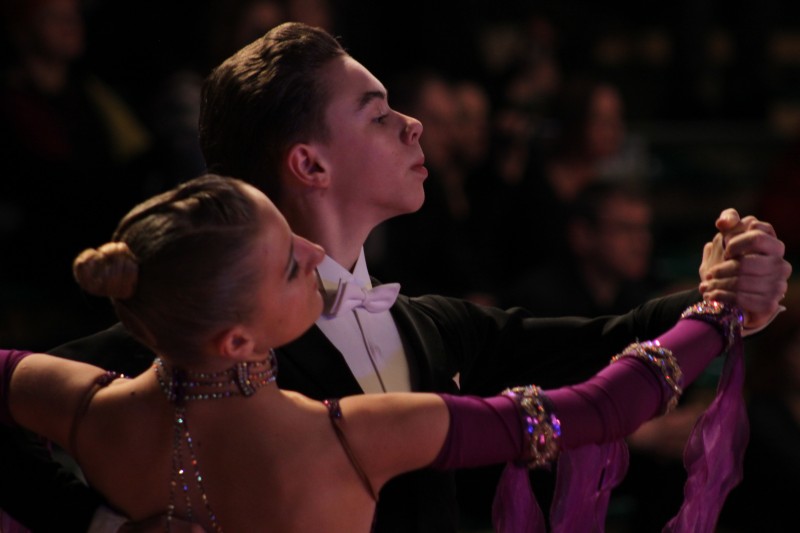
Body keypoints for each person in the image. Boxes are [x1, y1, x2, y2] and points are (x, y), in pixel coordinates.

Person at [29, 22, 790, 533]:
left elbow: (603, 341)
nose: (413, 123)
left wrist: (723, 294)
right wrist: (96, 524)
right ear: (310, 163)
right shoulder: (197, 331)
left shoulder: (432, 325)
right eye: (377, 112)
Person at [1, 174, 751, 532]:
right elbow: (602, 407)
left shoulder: (90, 410)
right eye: (290, 263)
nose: (313, 253)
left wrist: (97, 527)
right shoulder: (350, 440)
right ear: (237, 340)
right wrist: (717, 310)